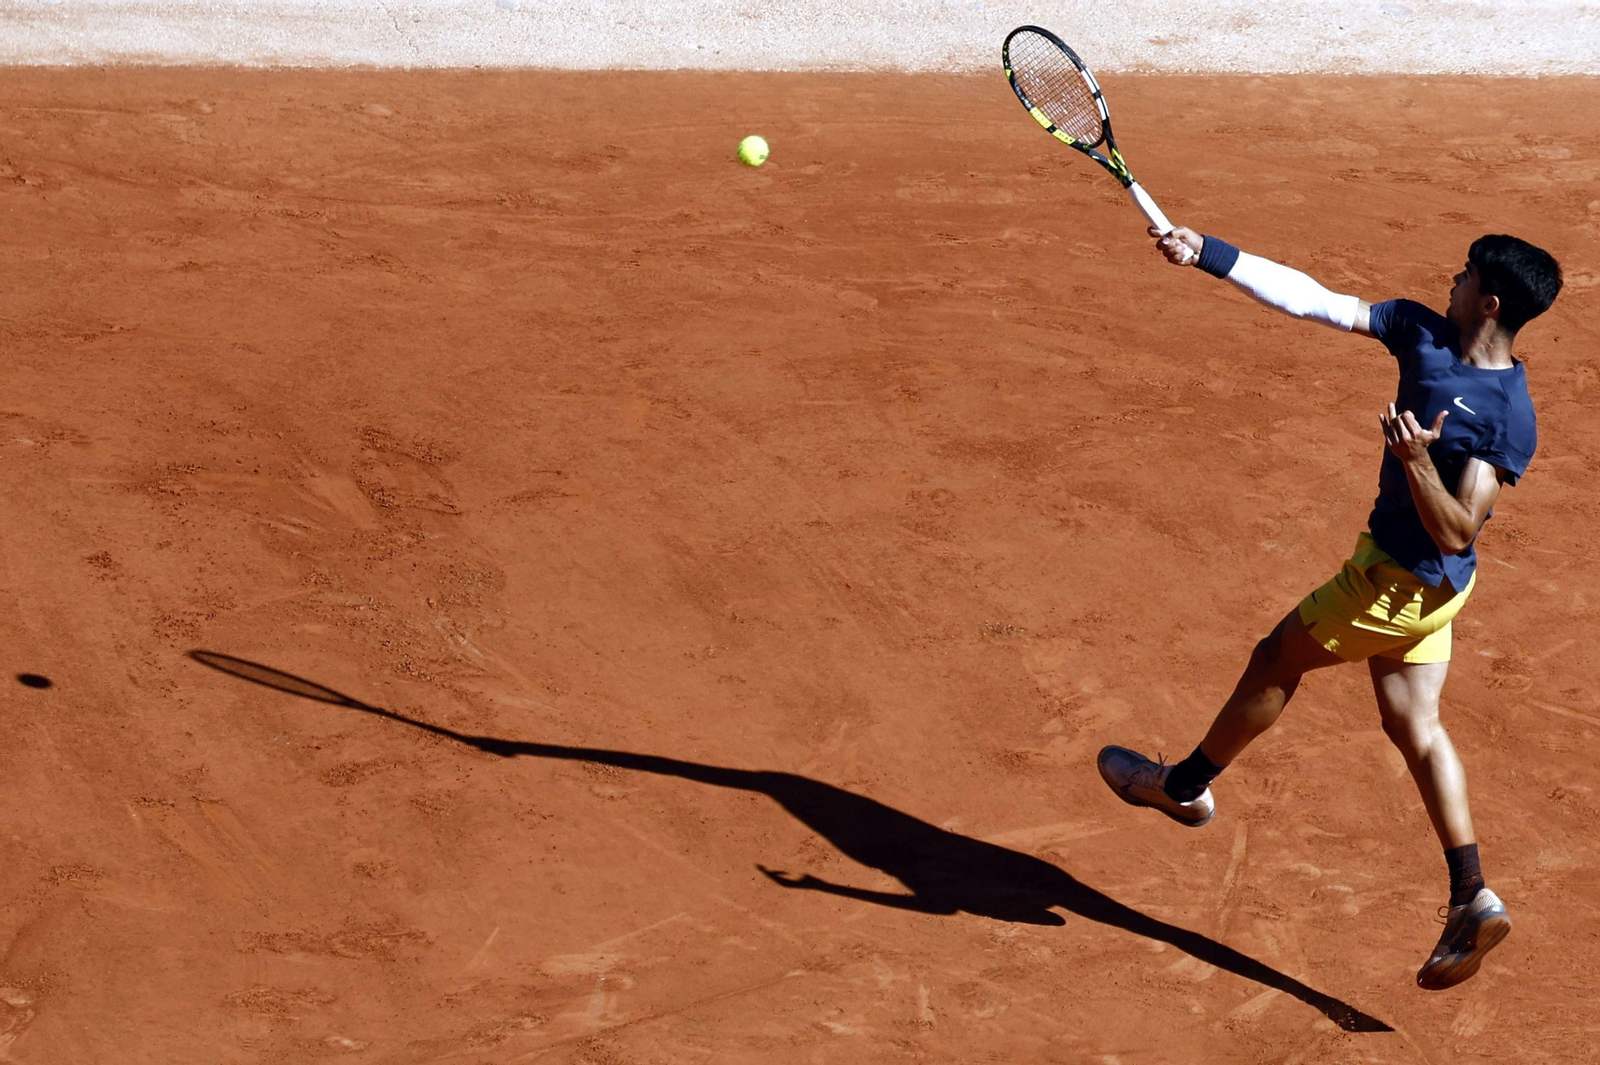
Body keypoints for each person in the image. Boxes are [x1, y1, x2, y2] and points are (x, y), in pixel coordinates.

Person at [1096, 226, 1561, 991]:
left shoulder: (1506, 417)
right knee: (1414, 723)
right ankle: (1472, 893)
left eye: (1465, 273)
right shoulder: (1420, 330)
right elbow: (1318, 301)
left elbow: (1454, 530)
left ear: (1490, 300)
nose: (1450, 277)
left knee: (1276, 657)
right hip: (1439, 594)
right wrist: (1206, 252)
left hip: (1399, 582)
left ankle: (1180, 786)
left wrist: (1416, 464)